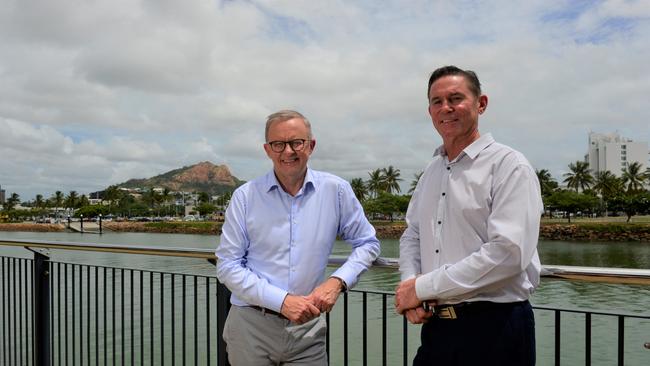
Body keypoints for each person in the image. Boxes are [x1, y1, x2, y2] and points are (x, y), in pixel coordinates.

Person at [395, 66, 543, 366]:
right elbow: (413, 233)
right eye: (437, 101)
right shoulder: (432, 171)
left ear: (481, 103)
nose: (445, 108)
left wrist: (421, 288)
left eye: (455, 98)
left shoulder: (509, 166)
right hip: (437, 327)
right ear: (429, 110)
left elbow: (508, 253)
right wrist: (410, 286)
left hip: (496, 327)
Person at [216, 110, 380, 365]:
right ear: (267, 149)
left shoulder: (336, 191)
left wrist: (337, 282)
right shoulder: (245, 196)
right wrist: (282, 302)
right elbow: (227, 265)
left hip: (308, 330)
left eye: (296, 142)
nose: (288, 151)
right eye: (278, 144)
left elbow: (368, 243)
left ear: (311, 146)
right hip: (250, 326)